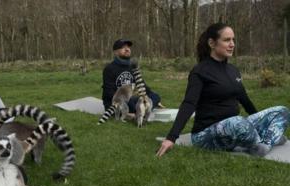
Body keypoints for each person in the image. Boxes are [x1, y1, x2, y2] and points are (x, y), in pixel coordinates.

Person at [156, 23, 289, 157]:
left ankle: (261, 143)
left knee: (282, 111)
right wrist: (171, 137)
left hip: (234, 126)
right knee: (238, 123)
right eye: (227, 40)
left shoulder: (233, 71)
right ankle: (265, 141)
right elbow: (189, 104)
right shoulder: (200, 71)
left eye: (233, 40)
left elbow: (245, 100)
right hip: (205, 135)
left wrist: (262, 122)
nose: (232, 44)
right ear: (212, 43)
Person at [102, 38, 163, 115]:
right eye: (123, 48)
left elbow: (142, 85)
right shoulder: (109, 69)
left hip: (132, 98)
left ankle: (142, 109)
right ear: (115, 52)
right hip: (117, 101)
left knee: (155, 97)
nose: (127, 49)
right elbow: (109, 92)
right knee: (131, 102)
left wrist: (149, 97)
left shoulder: (132, 67)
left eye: (128, 47)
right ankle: (142, 110)